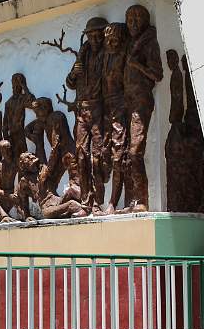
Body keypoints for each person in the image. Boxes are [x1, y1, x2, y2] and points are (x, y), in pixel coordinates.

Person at [66, 16, 108, 215]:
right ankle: (86, 203)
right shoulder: (83, 55)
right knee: (81, 156)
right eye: (90, 35)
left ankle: (99, 203)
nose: (94, 39)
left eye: (97, 35)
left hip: (100, 109)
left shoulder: (107, 54)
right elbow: (70, 82)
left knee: (97, 158)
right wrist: (74, 73)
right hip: (82, 111)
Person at [124, 5, 163, 211]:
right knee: (123, 152)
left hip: (141, 101)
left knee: (135, 151)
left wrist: (137, 65)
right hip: (126, 101)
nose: (133, 24)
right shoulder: (130, 44)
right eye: (130, 20)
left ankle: (142, 200)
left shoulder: (149, 44)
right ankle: (131, 200)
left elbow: (157, 75)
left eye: (137, 19)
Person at [102, 22, 129, 214]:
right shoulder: (106, 58)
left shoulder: (123, 57)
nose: (111, 44)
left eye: (115, 41)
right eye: (108, 40)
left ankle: (113, 201)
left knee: (119, 156)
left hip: (121, 108)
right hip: (106, 110)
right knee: (104, 157)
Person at [26, 97, 76, 199]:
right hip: (59, 157)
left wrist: (49, 167)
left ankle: (78, 203)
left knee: (75, 182)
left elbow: (55, 145)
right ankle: (56, 203)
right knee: (50, 183)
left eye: (37, 112)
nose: (36, 115)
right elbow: (27, 129)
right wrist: (33, 138)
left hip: (68, 154)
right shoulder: (43, 121)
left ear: (45, 108)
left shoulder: (56, 117)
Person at [3, 73, 35, 160]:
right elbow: (5, 125)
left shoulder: (22, 98)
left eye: (18, 84)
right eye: (14, 84)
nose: (15, 87)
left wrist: (25, 87)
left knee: (23, 161)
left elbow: (33, 103)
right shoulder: (8, 103)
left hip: (20, 135)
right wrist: (6, 140)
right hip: (11, 137)